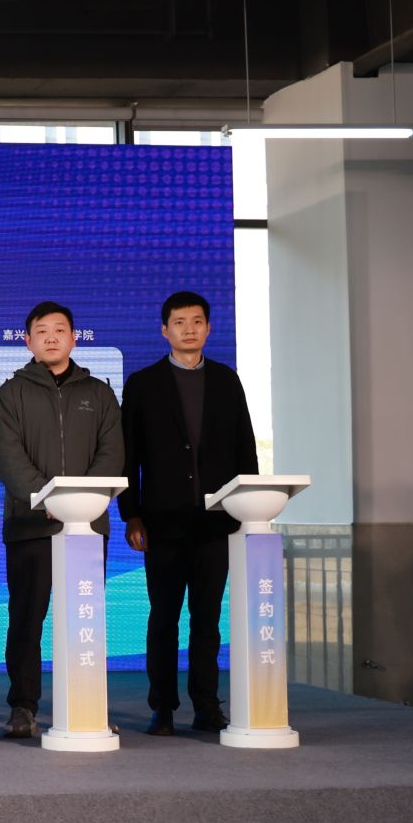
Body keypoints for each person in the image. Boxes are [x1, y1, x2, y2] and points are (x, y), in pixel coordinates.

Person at [120, 290, 258, 735]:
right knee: (163, 618)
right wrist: (131, 514)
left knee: (207, 620)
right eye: (179, 322)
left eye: (197, 321)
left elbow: (245, 450)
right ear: (165, 330)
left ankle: (206, 705)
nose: (189, 329)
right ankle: (162, 707)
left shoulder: (226, 381)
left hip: (216, 522)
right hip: (162, 522)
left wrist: (247, 507)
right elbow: (128, 457)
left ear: (208, 328)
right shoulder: (143, 384)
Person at [0, 300, 124, 740]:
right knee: (26, 619)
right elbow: (8, 458)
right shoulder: (10, 394)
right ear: (27, 341)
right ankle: (23, 706)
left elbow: (112, 453)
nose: (51, 337)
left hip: (86, 528)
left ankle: (86, 705)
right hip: (31, 526)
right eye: (42, 331)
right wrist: (48, 498)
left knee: (84, 616)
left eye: (60, 330)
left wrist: (78, 502)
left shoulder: (99, 393)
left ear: (74, 338)